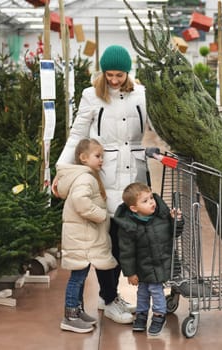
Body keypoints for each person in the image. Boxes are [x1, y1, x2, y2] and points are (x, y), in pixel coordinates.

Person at [54, 45, 149, 324]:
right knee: (107, 241)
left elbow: (157, 129)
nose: (114, 80)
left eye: (119, 75)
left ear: (128, 73)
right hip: (103, 176)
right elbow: (77, 135)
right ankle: (109, 299)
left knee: (125, 240)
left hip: (134, 175)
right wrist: (62, 171)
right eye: (110, 75)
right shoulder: (90, 95)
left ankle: (109, 297)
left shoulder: (142, 95)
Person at [56, 138, 118, 333]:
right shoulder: (85, 178)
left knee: (81, 275)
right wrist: (101, 215)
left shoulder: (87, 176)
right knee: (77, 277)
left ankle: (78, 310)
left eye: (102, 156)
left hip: (82, 237)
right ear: (83, 158)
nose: (101, 160)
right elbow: (80, 201)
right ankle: (70, 316)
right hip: (81, 238)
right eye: (97, 156)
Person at [113, 182, 183, 336]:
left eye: (151, 198)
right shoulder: (129, 227)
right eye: (145, 201)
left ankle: (159, 315)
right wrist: (130, 273)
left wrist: (176, 220)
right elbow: (126, 252)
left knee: (156, 289)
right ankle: (142, 314)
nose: (151, 202)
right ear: (134, 208)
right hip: (142, 267)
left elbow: (175, 233)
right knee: (142, 291)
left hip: (161, 262)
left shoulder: (161, 217)